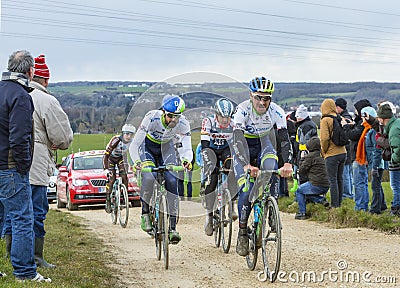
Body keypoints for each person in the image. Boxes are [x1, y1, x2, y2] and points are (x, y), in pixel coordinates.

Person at [4, 54, 73, 269]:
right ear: (43, 79)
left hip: (6, 163)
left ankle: (11, 254)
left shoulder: (6, 91)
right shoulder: (45, 100)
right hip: (32, 164)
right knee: (34, 214)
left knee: (11, 214)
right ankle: (33, 258)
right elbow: (63, 137)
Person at [0, 50, 51, 282]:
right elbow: (19, 137)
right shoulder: (21, 96)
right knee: (22, 219)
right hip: (10, 168)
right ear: (31, 71)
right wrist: (23, 167)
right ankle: (25, 272)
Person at [232, 76, 292, 256]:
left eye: (267, 98)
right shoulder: (242, 110)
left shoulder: (277, 111)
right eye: (259, 97)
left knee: (272, 169)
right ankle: (243, 231)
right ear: (251, 95)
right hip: (244, 147)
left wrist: (288, 163)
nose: (262, 102)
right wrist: (245, 164)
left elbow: (284, 140)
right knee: (246, 189)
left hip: (265, 144)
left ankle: (271, 212)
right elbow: (237, 139)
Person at [129, 95, 192, 243]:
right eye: (170, 116)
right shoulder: (151, 117)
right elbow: (135, 144)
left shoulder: (183, 123)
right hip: (148, 148)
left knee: (172, 180)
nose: (173, 121)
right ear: (163, 111)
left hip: (166, 148)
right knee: (149, 177)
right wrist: (137, 161)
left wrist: (186, 160)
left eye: (177, 117)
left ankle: (172, 228)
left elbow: (187, 147)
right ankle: (145, 214)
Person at [201, 98, 237, 236]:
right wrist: (209, 164)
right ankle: (209, 216)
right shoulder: (208, 122)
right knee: (212, 181)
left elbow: (237, 144)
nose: (225, 120)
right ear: (217, 114)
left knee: (232, 170)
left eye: (227, 117)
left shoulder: (233, 125)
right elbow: (204, 144)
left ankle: (232, 204)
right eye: (222, 116)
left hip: (225, 150)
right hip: (211, 151)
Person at [343, 99, 372, 211]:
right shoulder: (361, 122)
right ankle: (363, 205)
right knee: (362, 182)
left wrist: (346, 126)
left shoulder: (362, 123)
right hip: (360, 156)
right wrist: (353, 125)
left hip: (359, 156)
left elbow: (353, 135)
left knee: (358, 183)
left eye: (356, 109)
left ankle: (360, 207)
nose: (355, 111)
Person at [103, 123, 136, 213]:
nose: (128, 136)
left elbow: (133, 154)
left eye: (131, 134)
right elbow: (106, 155)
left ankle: (124, 197)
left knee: (125, 177)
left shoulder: (131, 142)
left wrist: (134, 165)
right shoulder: (116, 140)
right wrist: (105, 169)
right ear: (123, 133)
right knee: (112, 178)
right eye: (127, 134)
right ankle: (108, 201)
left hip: (121, 158)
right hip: (110, 159)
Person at [320, 99, 347, 208]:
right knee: (340, 179)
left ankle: (334, 205)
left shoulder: (325, 120)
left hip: (332, 154)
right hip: (343, 152)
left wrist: (324, 151)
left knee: (332, 180)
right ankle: (339, 203)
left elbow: (324, 138)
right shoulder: (339, 118)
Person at [295, 136, 330, 220]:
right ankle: (321, 200)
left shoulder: (310, 157)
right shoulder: (322, 154)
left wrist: (302, 158)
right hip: (326, 185)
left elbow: (302, 170)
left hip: (316, 184)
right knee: (306, 192)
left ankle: (302, 213)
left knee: (299, 191)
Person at [376, 104, 400, 216]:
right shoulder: (396, 123)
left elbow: (398, 148)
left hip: (397, 163)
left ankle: (396, 209)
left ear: (383, 118)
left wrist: (393, 159)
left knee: (395, 186)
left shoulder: (394, 129)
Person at [362, 106, 387, 214]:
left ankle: (375, 209)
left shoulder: (372, 132)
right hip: (376, 162)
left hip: (377, 163)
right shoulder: (372, 131)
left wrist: (374, 166)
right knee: (378, 185)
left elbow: (376, 150)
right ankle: (382, 205)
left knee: (375, 186)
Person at [335, 98, 354, 200]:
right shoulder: (348, 116)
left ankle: (347, 195)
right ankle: (350, 193)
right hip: (350, 150)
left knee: (345, 175)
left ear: (338, 107)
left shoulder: (343, 119)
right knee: (349, 174)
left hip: (345, 149)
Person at [294, 104, 317, 185]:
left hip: (305, 152)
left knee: (303, 173)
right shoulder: (310, 124)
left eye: (297, 116)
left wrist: (302, 152)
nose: (296, 118)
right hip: (310, 151)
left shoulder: (305, 126)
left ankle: (304, 191)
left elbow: (303, 141)